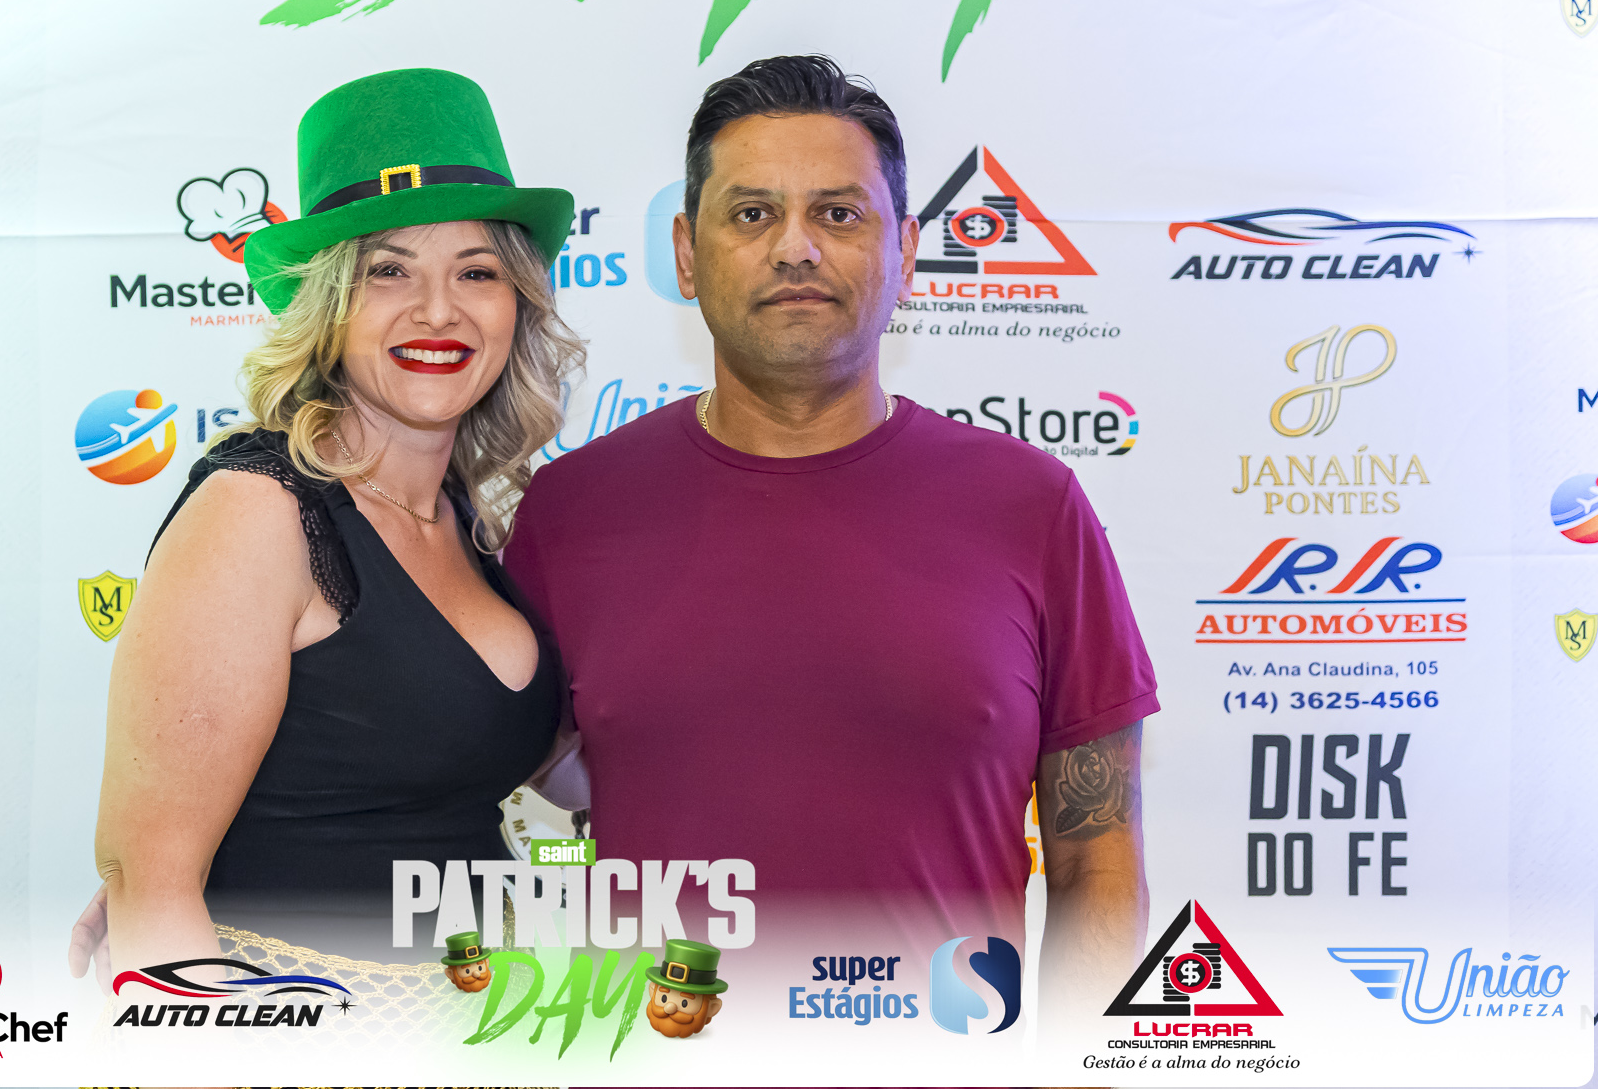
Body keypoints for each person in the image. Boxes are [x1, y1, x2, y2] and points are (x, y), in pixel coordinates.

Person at [499, 55, 1159, 1017]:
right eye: (752, 213)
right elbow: (489, 793)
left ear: (908, 250)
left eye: (840, 214)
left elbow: (1097, 853)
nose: (796, 248)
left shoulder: (1033, 506)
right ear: (686, 253)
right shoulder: (573, 511)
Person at [80, 67, 582, 980]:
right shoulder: (258, 509)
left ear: (518, 301)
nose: (439, 309)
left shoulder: (467, 519)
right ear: (327, 304)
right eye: (389, 271)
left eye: (476, 271)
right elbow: (151, 886)